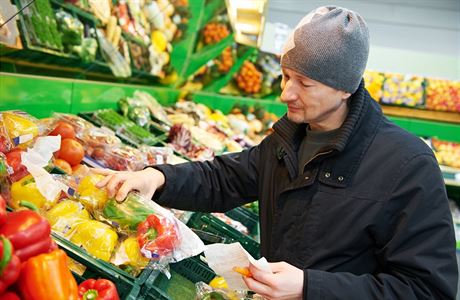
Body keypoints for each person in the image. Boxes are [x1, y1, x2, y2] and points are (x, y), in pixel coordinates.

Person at [95, 6, 458, 300]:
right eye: (285, 76)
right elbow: (224, 178)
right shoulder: (290, 139)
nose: (286, 94)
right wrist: (157, 177)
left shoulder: (407, 166)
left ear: (344, 88)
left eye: (305, 83)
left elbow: (428, 289)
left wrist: (309, 288)